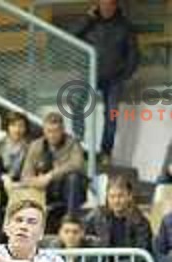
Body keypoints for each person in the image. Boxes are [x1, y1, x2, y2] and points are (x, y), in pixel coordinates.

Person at [73, 0, 139, 164]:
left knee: (112, 115)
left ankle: (106, 153)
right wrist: (87, 19)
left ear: (116, 6)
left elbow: (134, 54)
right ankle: (77, 146)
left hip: (114, 79)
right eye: (103, 4)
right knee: (77, 106)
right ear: (98, 5)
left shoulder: (125, 26)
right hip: (89, 74)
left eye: (110, 5)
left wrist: (125, 74)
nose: (106, 8)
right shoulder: (89, 22)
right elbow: (70, 35)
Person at [21, 112, 86, 233]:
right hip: (43, 190)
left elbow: (77, 164)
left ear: (62, 130)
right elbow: (25, 175)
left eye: (56, 131)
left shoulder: (72, 143)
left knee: (73, 177)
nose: (52, 135)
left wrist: (50, 176)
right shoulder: (36, 146)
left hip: (68, 189)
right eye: (49, 131)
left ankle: (70, 219)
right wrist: (35, 181)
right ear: (44, 131)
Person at [0, 111, 30, 203]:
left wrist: (18, 183)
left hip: (22, 183)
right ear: (7, 127)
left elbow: (31, 170)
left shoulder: (30, 146)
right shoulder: (0, 145)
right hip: (2, 182)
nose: (17, 129)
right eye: (13, 125)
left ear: (25, 128)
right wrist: (4, 178)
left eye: (21, 126)